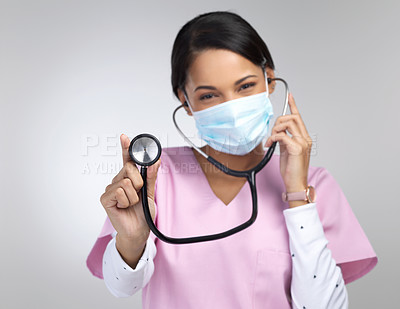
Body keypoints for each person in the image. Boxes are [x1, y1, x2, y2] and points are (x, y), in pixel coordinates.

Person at [86, 11, 378, 308]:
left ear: (270, 80)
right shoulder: (155, 177)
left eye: (246, 86)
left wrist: (297, 197)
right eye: (210, 96)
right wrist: (132, 240)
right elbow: (123, 286)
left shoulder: (314, 184)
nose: (233, 108)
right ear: (185, 101)